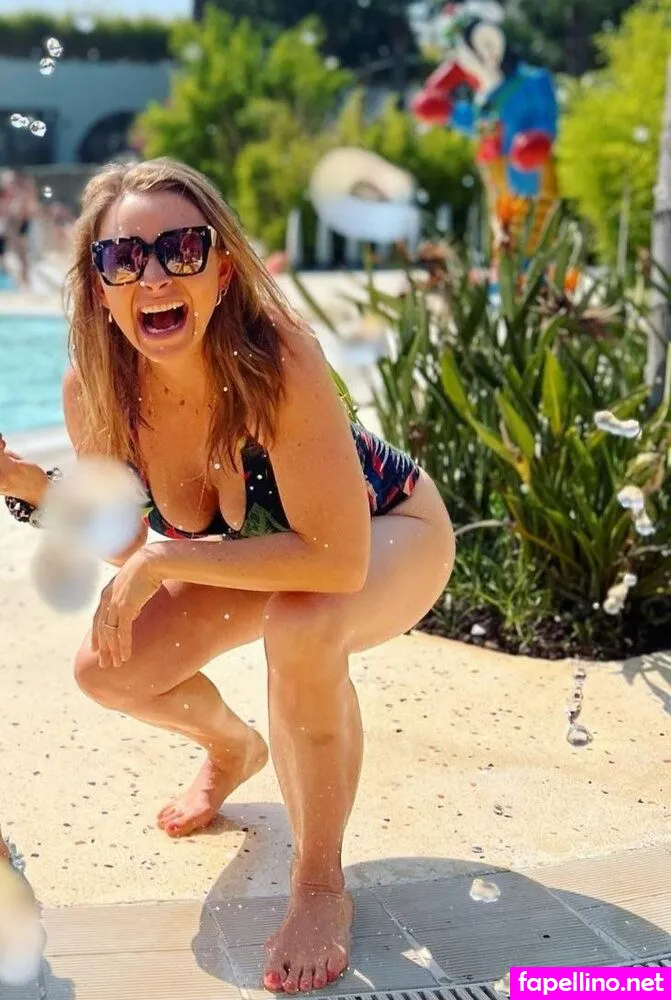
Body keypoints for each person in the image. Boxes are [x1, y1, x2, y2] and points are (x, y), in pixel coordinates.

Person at [0, 157, 454, 993]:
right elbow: (128, 538)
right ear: (99, 287)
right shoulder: (97, 387)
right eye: (122, 258)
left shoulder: (277, 359)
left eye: (180, 248)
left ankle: (318, 884)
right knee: (108, 669)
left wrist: (166, 558)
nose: (153, 276)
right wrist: (31, 486)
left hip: (389, 532)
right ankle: (231, 747)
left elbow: (336, 558)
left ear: (220, 268)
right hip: (268, 555)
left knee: (302, 621)